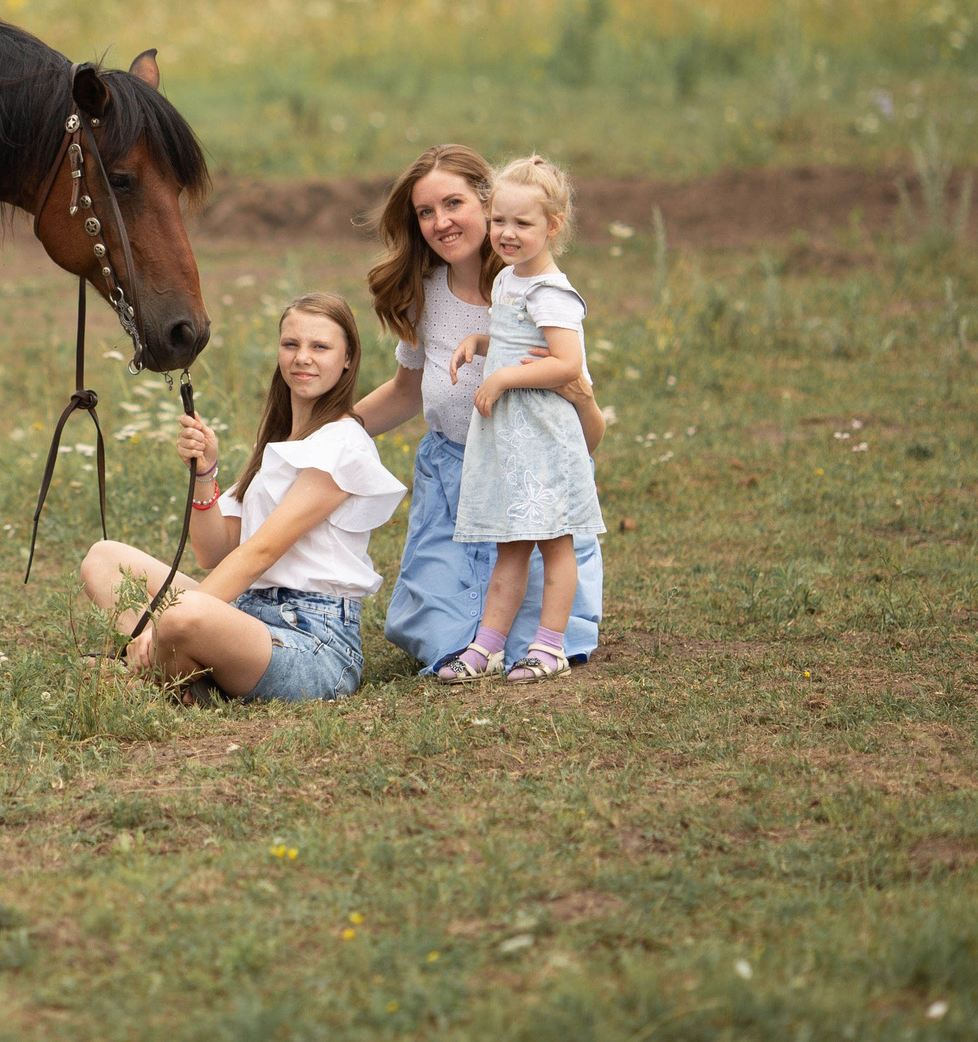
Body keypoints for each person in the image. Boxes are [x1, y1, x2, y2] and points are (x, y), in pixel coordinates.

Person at [353, 146, 607, 674]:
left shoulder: (534, 291)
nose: (441, 222)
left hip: (527, 470)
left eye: (454, 204)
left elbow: (584, 428)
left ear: (485, 204)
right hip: (453, 479)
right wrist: (330, 430)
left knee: (529, 625)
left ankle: (539, 644)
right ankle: (475, 642)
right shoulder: (429, 295)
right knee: (440, 632)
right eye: (426, 212)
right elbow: (406, 390)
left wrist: (577, 395)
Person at [78, 293, 404, 703]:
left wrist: (161, 622)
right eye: (291, 344)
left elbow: (261, 552)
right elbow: (213, 553)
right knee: (103, 558)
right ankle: (171, 670)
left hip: (313, 643)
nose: (303, 357)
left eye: (320, 347)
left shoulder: (343, 442)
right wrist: (204, 475)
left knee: (183, 613)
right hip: (246, 617)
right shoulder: (279, 443)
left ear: (347, 360)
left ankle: (144, 666)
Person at [437, 156, 607, 683]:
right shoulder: (510, 280)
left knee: (555, 542)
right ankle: (487, 646)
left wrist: (502, 377)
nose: (506, 234)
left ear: (552, 227)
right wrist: (482, 342)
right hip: (512, 438)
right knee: (508, 546)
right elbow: (518, 340)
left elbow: (566, 363)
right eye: (499, 221)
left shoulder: (553, 291)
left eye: (522, 223)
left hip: (542, 435)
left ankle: (550, 646)